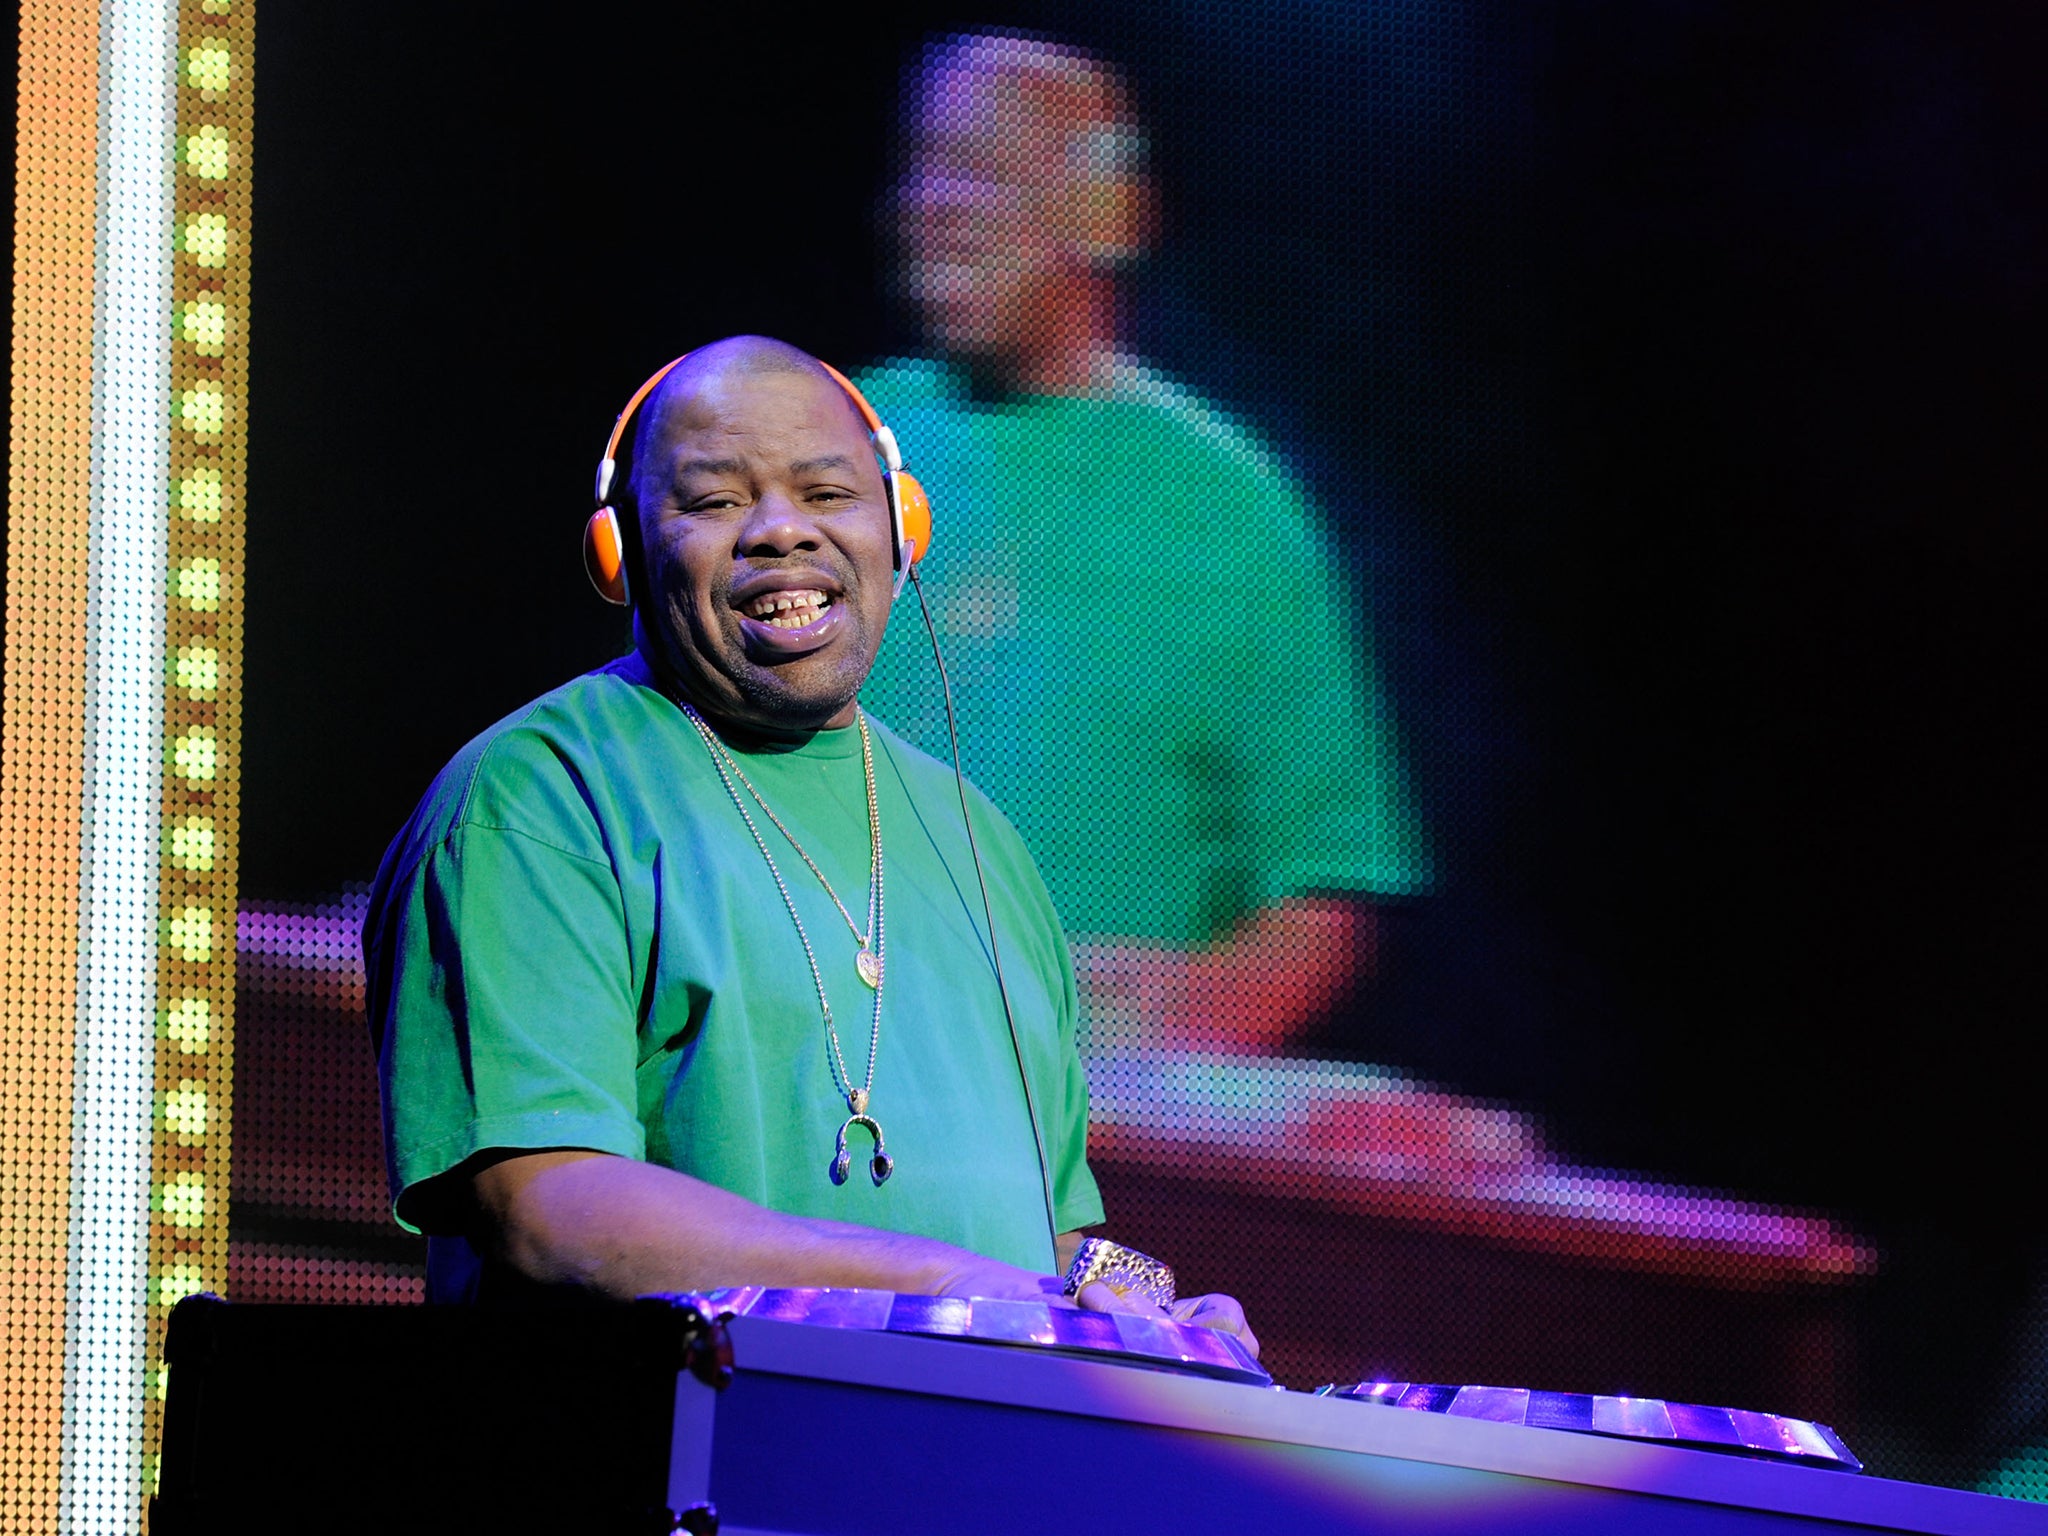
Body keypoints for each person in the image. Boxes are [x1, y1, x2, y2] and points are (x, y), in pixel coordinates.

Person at [362, 336, 1254, 1350]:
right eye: (713, 501)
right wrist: (938, 1288)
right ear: (621, 554)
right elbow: (546, 1208)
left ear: (900, 530)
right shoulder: (536, 800)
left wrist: (1140, 1323)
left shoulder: (981, 842)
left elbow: (1041, 1243)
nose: (781, 531)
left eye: (826, 493)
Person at [853, 33, 1431, 1055]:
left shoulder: (1229, 506)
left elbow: (1325, 892)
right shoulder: (820, 454)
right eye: (922, 166)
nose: (935, 203)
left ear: (1106, 213)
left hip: (1095, 1162)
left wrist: (1185, 1024)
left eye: (983, 167)